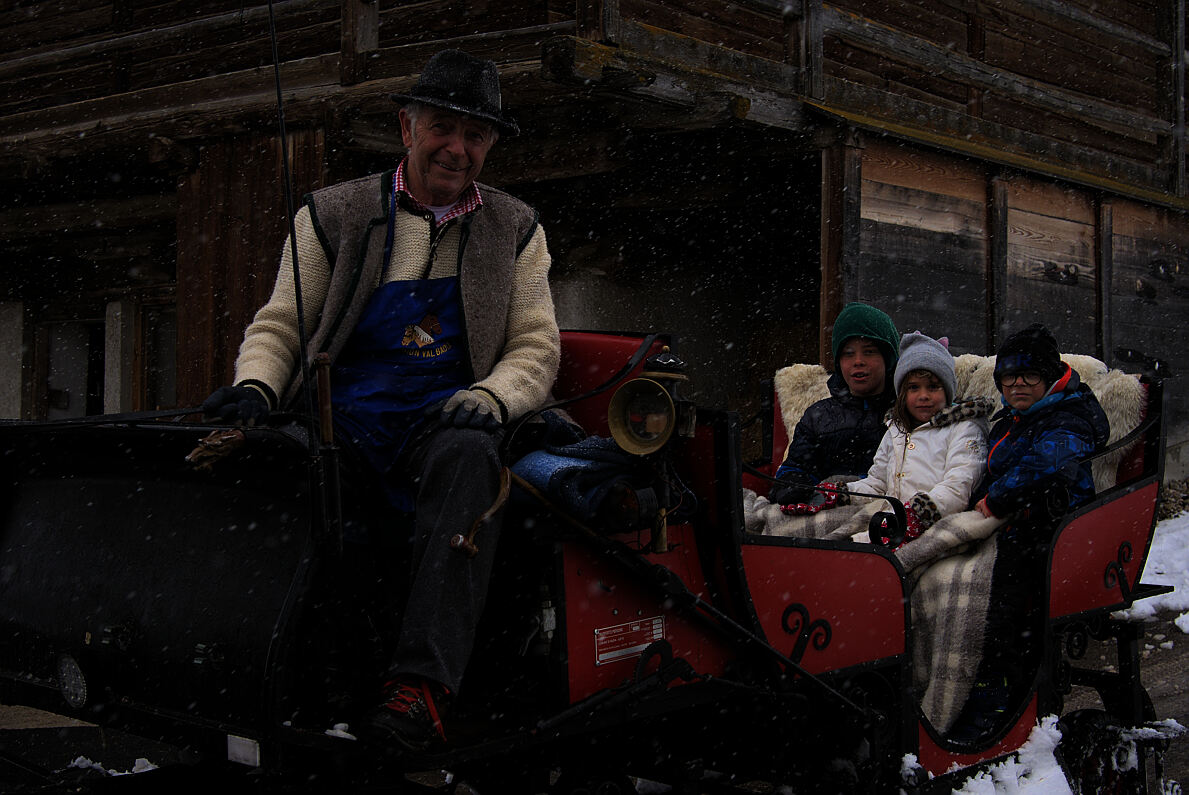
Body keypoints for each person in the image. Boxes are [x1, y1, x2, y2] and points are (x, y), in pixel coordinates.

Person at [201, 49, 561, 752]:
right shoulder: (332, 216)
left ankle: (421, 689)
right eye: (442, 127)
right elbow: (283, 325)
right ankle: (275, 670)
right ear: (406, 126)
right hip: (347, 422)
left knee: (469, 462)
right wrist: (256, 387)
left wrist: (491, 395)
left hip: (445, 420)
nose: (456, 148)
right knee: (285, 474)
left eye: (475, 134)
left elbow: (534, 348)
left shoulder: (515, 230)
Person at [948, 323, 1110, 743]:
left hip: (1050, 532)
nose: (1017, 383)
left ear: (1050, 376)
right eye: (1009, 376)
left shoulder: (1070, 417)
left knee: (1002, 603)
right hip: (1012, 526)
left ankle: (996, 701)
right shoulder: (1013, 420)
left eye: (1030, 374)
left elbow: (1047, 462)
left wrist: (998, 499)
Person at [845, 332, 992, 547]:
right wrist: (840, 494)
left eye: (933, 387)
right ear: (902, 393)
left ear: (948, 390)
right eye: (914, 387)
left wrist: (916, 514)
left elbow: (958, 487)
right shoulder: (896, 429)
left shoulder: (964, 428)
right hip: (891, 519)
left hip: (935, 522)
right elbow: (877, 483)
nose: (924, 395)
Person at [768, 302, 899, 505]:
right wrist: (793, 484)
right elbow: (795, 467)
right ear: (839, 362)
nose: (858, 361)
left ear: (888, 358)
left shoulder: (905, 412)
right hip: (830, 507)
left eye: (869, 351)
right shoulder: (818, 416)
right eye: (848, 353)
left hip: (886, 509)